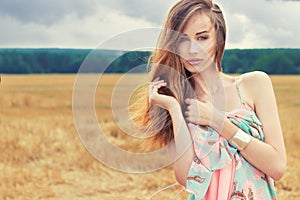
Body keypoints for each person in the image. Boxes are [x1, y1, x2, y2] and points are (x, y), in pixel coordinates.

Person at [133, 0, 286, 199]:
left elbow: (277, 167)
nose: (192, 49)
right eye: (182, 40)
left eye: (202, 37)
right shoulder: (176, 99)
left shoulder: (254, 84)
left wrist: (218, 121)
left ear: (219, 38)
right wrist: (173, 108)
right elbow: (186, 176)